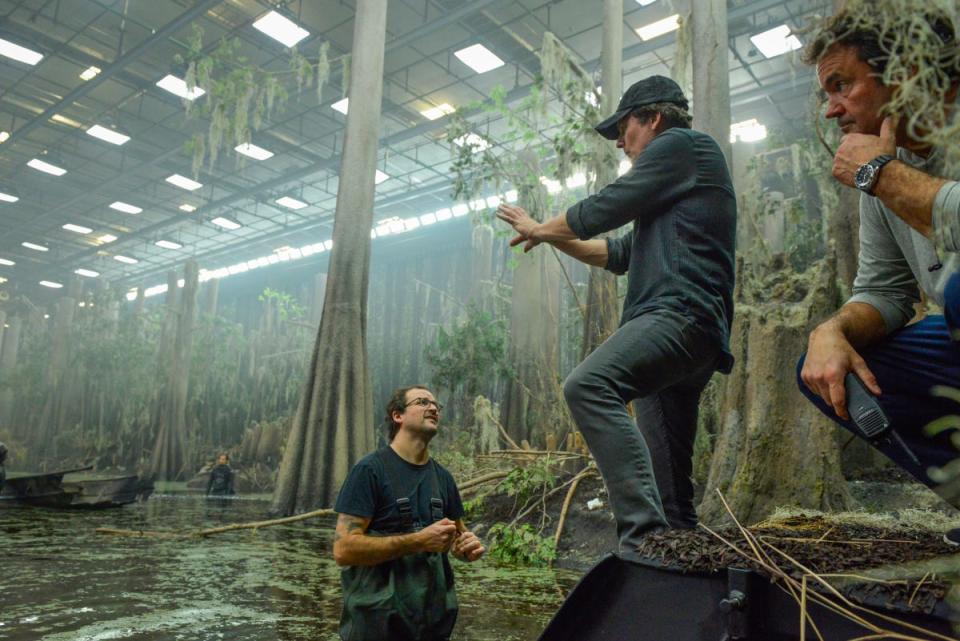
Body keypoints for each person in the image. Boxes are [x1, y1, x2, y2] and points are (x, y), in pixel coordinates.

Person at [496, 75, 737, 555]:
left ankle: (641, 540)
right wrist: (547, 237)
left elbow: (608, 206)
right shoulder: (674, 190)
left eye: (625, 130)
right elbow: (616, 252)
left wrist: (544, 227)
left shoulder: (682, 145)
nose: (622, 144)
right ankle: (675, 565)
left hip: (679, 318)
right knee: (674, 498)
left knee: (588, 385)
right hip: (686, 339)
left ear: (653, 118)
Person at [797, 8, 960, 544]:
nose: (831, 111)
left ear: (907, 70)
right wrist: (834, 330)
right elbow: (886, 291)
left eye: (841, 85)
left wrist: (880, 176)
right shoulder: (883, 163)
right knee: (830, 366)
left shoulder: (886, 166)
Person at [333, 385, 485, 641]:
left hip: (431, 627)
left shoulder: (443, 479)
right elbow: (343, 550)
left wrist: (467, 547)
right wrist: (417, 541)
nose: (434, 408)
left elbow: (461, 537)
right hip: (376, 628)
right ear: (397, 415)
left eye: (436, 405)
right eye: (423, 402)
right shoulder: (370, 470)